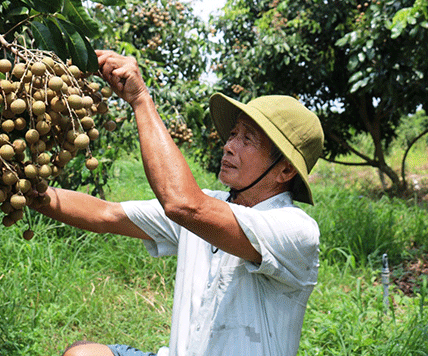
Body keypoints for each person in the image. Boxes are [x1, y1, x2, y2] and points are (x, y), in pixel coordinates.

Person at [33, 50, 324, 356]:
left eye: (247, 139)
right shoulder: (210, 207)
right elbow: (106, 214)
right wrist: (19, 186)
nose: (228, 146)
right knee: (83, 353)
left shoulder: (295, 231)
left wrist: (141, 100)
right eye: (233, 133)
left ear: (285, 170)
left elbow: (182, 203)